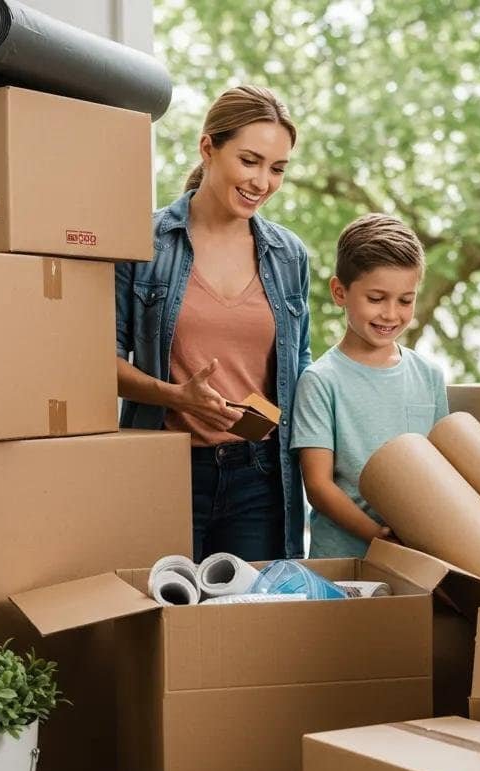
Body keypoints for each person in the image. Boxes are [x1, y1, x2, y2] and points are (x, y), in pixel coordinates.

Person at [114, 85, 311, 563]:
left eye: (277, 168)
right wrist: (175, 396)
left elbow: (299, 367)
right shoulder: (143, 244)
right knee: (167, 620)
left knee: (252, 621)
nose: (262, 181)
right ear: (208, 148)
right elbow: (97, 362)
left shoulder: (289, 255)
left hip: (260, 476)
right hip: (168, 468)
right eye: (250, 160)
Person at [291, 214, 448, 557]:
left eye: (405, 300)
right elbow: (318, 485)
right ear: (339, 292)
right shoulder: (320, 381)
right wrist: (380, 537)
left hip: (416, 555)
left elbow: (440, 475)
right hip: (342, 560)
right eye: (376, 299)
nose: (391, 314)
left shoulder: (429, 376)